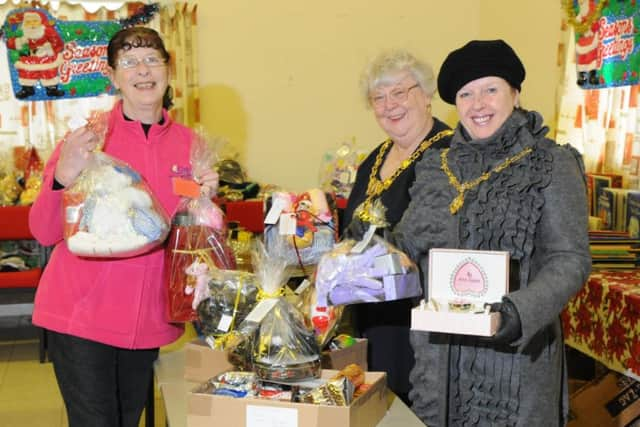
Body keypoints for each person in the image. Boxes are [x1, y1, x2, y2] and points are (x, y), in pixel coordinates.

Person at [389, 39, 591, 426]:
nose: (478, 104)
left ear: (515, 93)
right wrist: (377, 255)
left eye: (490, 89)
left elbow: (571, 260)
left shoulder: (551, 164)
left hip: (516, 355)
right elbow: (409, 242)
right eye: (466, 94)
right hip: (441, 357)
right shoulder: (436, 166)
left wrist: (515, 313)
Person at [28, 27, 218, 427]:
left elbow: (195, 240)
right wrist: (61, 177)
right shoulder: (87, 141)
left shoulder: (191, 145)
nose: (142, 70)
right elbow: (44, 232)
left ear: (169, 70)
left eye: (152, 59)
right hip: (82, 315)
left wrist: (207, 204)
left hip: (149, 319)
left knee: (126, 420)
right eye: (129, 62)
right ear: (113, 77)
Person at [341, 49, 453, 405]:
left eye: (399, 93)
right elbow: (350, 231)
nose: (389, 105)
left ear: (426, 94)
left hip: (417, 324)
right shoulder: (374, 159)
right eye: (378, 97)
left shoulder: (449, 154)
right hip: (370, 318)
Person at [6, 9, 65, 99]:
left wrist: (48, 48)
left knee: (49, 72)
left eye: (35, 21)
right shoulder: (22, 33)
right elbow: (10, 43)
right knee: (27, 72)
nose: (32, 24)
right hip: (29, 57)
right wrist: (20, 41)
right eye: (28, 22)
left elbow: (58, 43)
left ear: (41, 22)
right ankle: (27, 89)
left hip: (45, 56)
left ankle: (52, 89)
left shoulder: (47, 31)